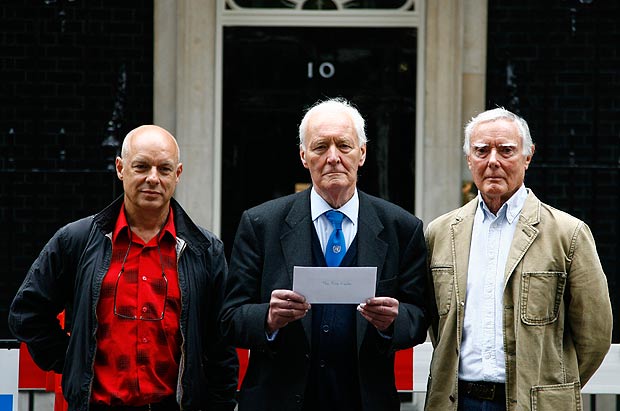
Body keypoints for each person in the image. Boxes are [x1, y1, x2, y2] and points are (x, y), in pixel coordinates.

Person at [9, 125, 238, 411]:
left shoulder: (205, 251)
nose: (153, 178)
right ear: (120, 168)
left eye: (164, 169)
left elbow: (221, 347)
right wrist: (72, 359)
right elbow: (26, 313)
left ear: (177, 174)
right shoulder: (76, 240)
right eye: (141, 166)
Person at [219, 97, 428, 411]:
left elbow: (419, 317)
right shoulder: (261, 224)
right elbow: (230, 318)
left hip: (364, 401)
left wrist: (392, 321)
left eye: (344, 146)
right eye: (320, 147)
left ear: (363, 153)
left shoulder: (401, 227)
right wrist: (268, 318)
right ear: (304, 156)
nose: (333, 158)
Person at [424, 108, 613, 411]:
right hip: (458, 401)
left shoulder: (568, 234)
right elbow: (439, 325)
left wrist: (552, 386)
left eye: (506, 150)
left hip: (534, 403)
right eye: (482, 151)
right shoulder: (441, 233)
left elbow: (595, 334)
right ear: (469, 159)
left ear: (528, 156)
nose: (493, 161)